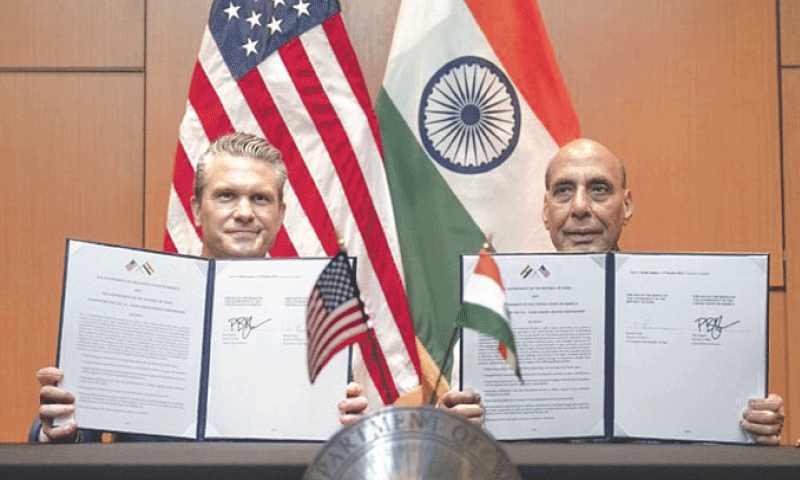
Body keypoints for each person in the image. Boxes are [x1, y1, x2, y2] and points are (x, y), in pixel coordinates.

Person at [32, 131, 299, 442]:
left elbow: (327, 443)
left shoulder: (312, 312)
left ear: (280, 214)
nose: (243, 213)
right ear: (198, 209)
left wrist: (346, 430)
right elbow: (74, 432)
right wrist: (57, 428)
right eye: (226, 195)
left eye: (260, 198)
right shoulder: (132, 303)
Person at [541, 137, 784, 445]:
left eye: (598, 190)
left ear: (627, 206)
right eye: (564, 191)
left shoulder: (685, 300)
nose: (579, 207)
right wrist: (463, 425)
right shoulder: (493, 304)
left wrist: (754, 422)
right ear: (546, 210)